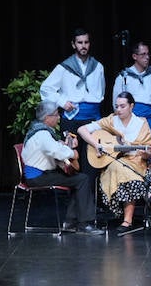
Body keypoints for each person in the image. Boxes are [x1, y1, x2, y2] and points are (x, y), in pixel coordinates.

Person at [39, 28, 105, 211]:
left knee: (92, 164)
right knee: (73, 163)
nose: (83, 46)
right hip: (72, 119)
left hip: (92, 120)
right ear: (73, 44)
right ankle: (73, 211)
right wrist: (62, 101)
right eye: (80, 43)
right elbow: (45, 89)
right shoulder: (64, 67)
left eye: (86, 42)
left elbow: (100, 93)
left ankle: (88, 207)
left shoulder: (98, 67)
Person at [91, 91, 151, 235]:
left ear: (131, 106)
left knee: (129, 175)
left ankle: (127, 219)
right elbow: (82, 129)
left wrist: (146, 152)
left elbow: (147, 152)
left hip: (137, 162)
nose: (119, 109)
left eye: (122, 106)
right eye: (117, 106)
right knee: (120, 168)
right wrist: (95, 144)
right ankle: (127, 216)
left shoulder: (141, 123)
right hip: (116, 161)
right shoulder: (111, 121)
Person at [21, 98, 95, 233]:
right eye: (56, 114)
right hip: (38, 176)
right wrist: (73, 153)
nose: (58, 117)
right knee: (82, 179)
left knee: (77, 179)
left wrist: (65, 145)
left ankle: (70, 221)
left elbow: (54, 148)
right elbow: (56, 152)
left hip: (38, 174)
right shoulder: (42, 134)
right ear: (47, 117)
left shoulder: (38, 129)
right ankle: (83, 224)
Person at [111, 40, 151, 164]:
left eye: (148, 54)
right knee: (133, 153)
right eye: (143, 54)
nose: (147, 57)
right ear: (135, 56)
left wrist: (150, 115)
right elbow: (116, 102)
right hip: (131, 120)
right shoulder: (123, 76)